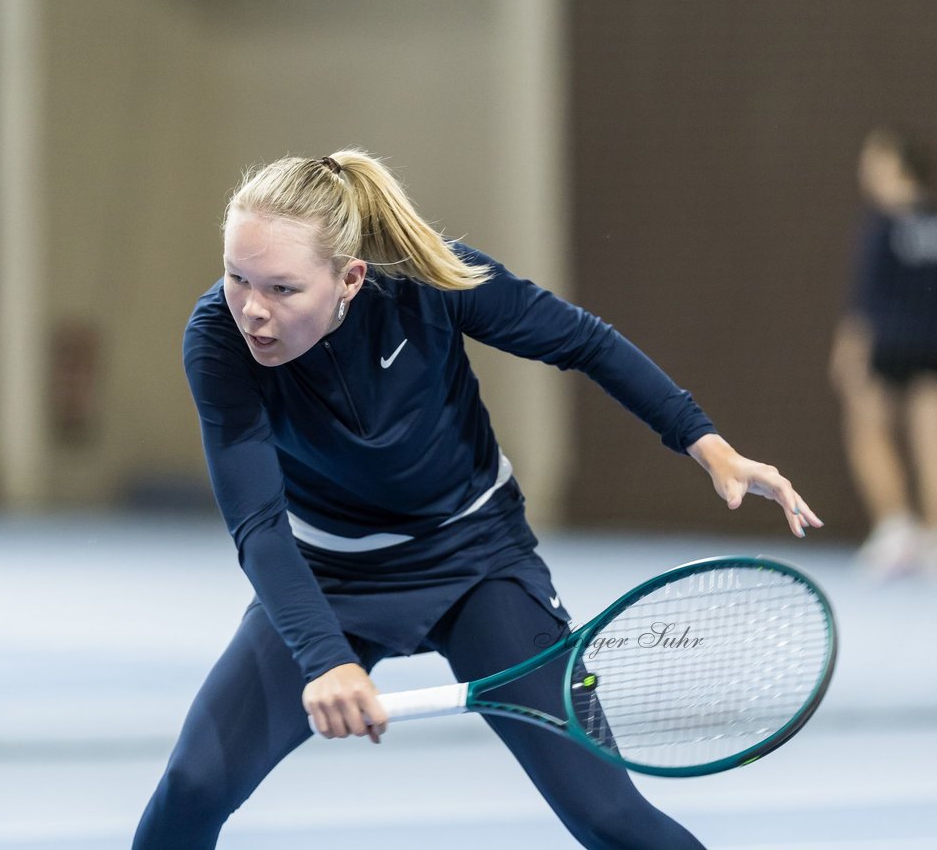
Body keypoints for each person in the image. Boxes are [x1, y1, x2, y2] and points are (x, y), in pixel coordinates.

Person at [135, 150, 822, 849]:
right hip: (328, 575)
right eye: (236, 277)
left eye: (282, 288)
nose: (252, 309)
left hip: (477, 562)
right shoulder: (217, 341)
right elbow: (257, 522)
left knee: (609, 816)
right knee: (192, 786)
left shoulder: (429, 277)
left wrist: (704, 442)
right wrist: (326, 657)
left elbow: (581, 341)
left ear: (350, 279)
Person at [829, 128, 937, 578]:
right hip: (930, 346)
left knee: (865, 427)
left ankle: (895, 526)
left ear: (896, 162)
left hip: (890, 345)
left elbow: (865, 299)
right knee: (930, 438)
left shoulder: (881, 221)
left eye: (874, 157)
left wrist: (850, 350)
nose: (866, 167)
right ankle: (926, 536)